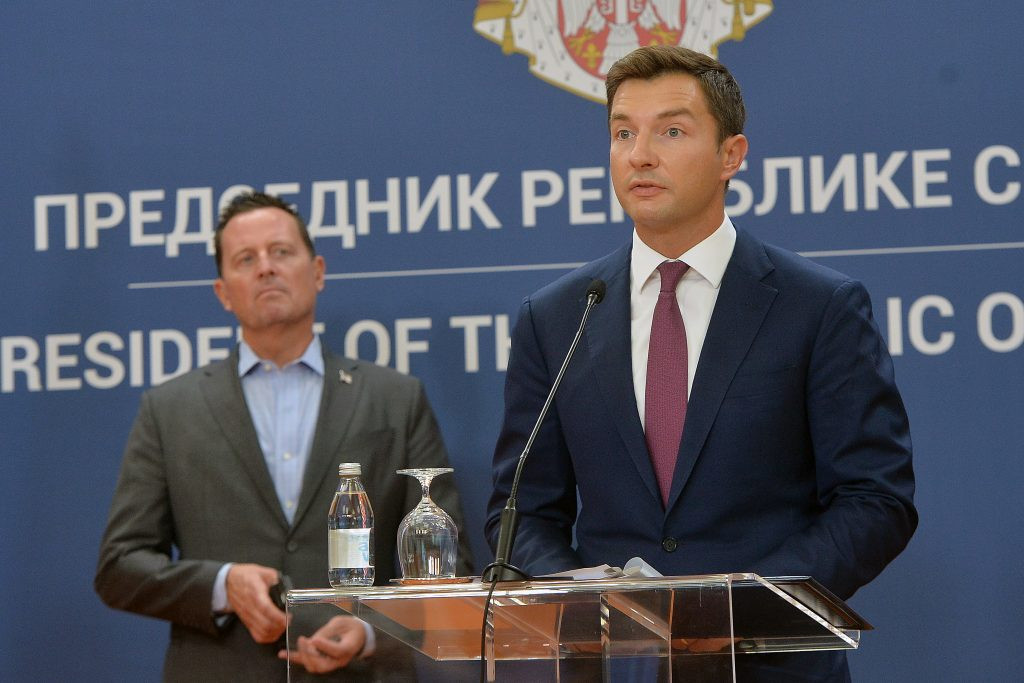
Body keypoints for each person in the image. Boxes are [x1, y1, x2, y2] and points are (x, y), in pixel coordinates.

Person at [486, 46, 917, 681]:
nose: (640, 155)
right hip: (614, 665)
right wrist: (590, 609)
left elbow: (875, 499)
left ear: (731, 156)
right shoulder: (556, 317)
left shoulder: (818, 306)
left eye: (671, 131)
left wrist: (738, 610)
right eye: (623, 133)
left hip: (768, 661)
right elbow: (522, 514)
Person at [96, 191, 474, 681]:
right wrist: (222, 584)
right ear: (222, 292)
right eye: (245, 259)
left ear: (317, 271)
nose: (266, 268)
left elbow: (447, 568)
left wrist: (372, 631)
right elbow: (120, 567)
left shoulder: (396, 399)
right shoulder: (169, 409)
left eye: (280, 252)